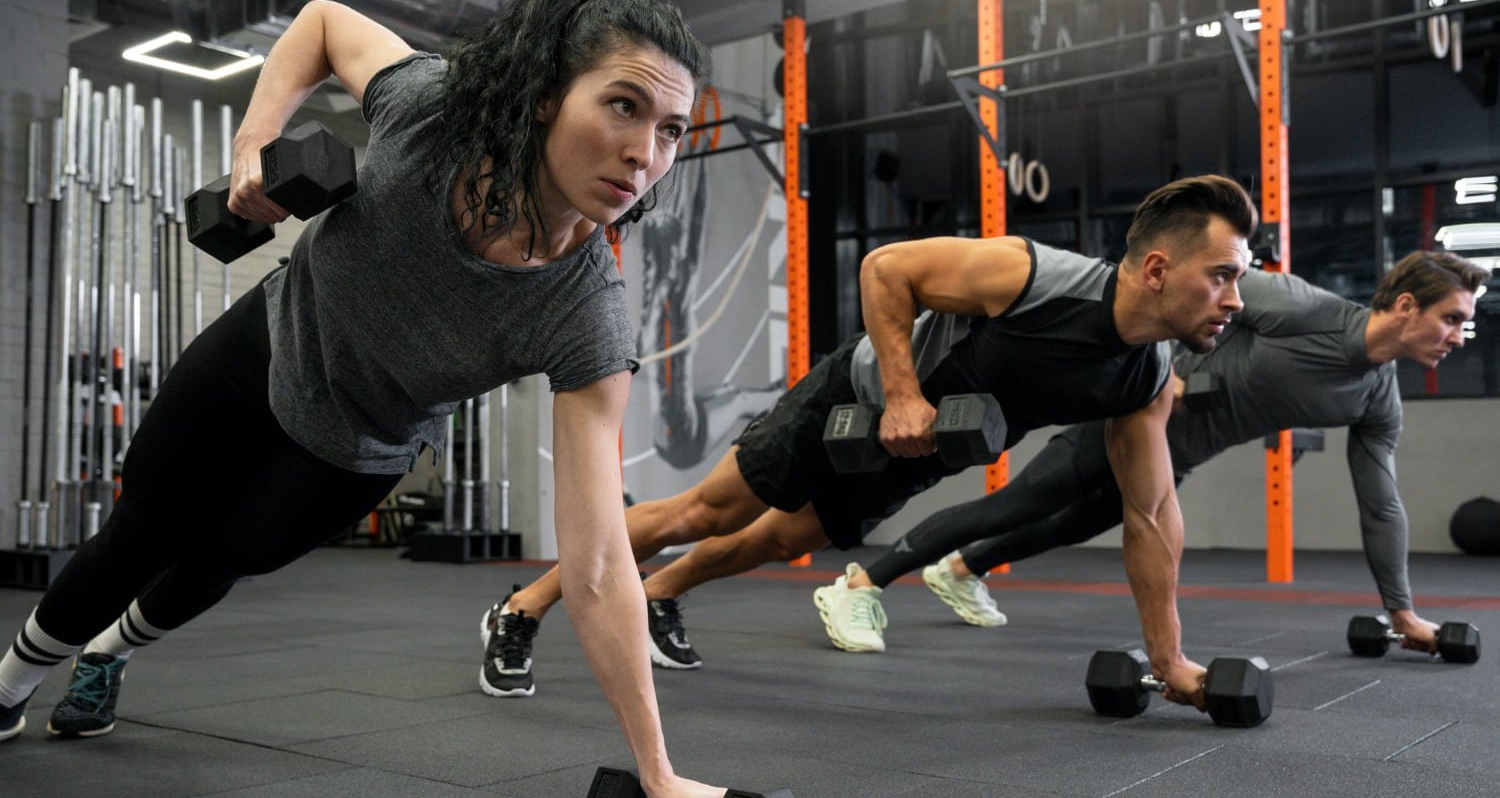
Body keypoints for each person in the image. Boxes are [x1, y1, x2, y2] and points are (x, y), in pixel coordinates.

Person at [0, 0, 728, 798]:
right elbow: (319, 23)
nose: (642, 152)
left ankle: (109, 655)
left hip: (351, 449)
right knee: (139, 529)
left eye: (670, 130)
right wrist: (251, 148)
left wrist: (658, 773)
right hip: (262, 345)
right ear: (547, 96)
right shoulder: (430, 110)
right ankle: (10, 685)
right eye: (623, 104)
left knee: (219, 557)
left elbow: (603, 562)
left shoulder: (584, 317)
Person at [480, 174, 1256, 710]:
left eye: (1241, 279)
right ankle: (522, 608)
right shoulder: (1036, 277)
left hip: (918, 451)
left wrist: (1169, 658)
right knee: (704, 513)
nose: (1235, 299)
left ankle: (660, 596)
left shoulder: (1144, 382)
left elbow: (1152, 517)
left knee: (778, 542)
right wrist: (903, 393)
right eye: (1223, 275)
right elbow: (889, 269)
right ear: (1158, 267)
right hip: (854, 399)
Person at [896, 249, 1489, 652]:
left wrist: (1401, 610)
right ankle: (860, 584)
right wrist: (1166, 367)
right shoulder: (1306, 307)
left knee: (1068, 528)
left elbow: (1381, 506)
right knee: (1017, 505)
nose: (1461, 338)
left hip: (1176, 458)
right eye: (1453, 319)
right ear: (1407, 305)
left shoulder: (1377, 399)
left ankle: (960, 569)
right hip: (1130, 420)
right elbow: (1184, 295)